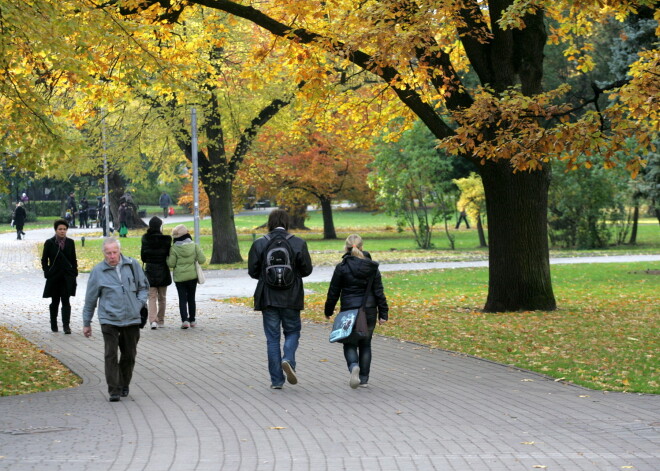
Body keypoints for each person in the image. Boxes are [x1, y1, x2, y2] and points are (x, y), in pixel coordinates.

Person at [247, 209, 313, 389]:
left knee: (272, 339)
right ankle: (288, 359)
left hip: (268, 297)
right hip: (292, 297)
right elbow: (307, 270)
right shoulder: (298, 243)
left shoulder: (260, 243)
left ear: (269, 222)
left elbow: (253, 271)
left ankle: (276, 381)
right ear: (287, 223)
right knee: (293, 331)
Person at [82, 237, 149, 402]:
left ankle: (124, 383)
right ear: (103, 253)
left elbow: (143, 287)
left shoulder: (132, 265)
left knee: (129, 355)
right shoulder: (98, 271)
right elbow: (90, 299)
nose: (112, 256)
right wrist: (86, 323)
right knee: (110, 355)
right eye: (108, 253)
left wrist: (138, 304)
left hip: (132, 318)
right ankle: (114, 390)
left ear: (119, 250)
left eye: (114, 252)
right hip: (109, 319)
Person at [325, 234, 389, 389]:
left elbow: (333, 291)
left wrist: (329, 310)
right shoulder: (372, 267)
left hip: (349, 310)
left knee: (349, 342)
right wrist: (383, 313)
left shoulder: (342, 267)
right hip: (369, 310)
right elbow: (379, 291)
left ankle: (354, 366)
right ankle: (364, 379)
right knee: (366, 344)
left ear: (346, 247)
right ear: (362, 246)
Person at [41, 219, 78, 334]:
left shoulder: (70, 242)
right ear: (56, 230)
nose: (62, 231)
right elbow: (44, 260)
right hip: (54, 277)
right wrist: (47, 272)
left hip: (67, 277)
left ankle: (66, 326)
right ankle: (53, 323)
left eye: (64, 229)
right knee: (55, 301)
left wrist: (74, 272)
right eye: (60, 229)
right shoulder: (50, 242)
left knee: (66, 301)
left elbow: (73, 259)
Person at [167, 224, 206, 329]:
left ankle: (185, 320)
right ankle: (192, 319)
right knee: (191, 298)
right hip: (192, 276)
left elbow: (171, 264)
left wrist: (167, 258)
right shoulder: (194, 246)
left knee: (182, 299)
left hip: (179, 278)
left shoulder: (174, 248)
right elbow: (202, 259)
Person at [141, 217, 172, 329]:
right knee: (162, 297)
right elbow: (169, 255)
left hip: (150, 271)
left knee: (152, 296)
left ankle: (152, 320)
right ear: (160, 226)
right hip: (163, 270)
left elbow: (143, 257)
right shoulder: (167, 239)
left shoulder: (145, 239)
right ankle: (161, 320)